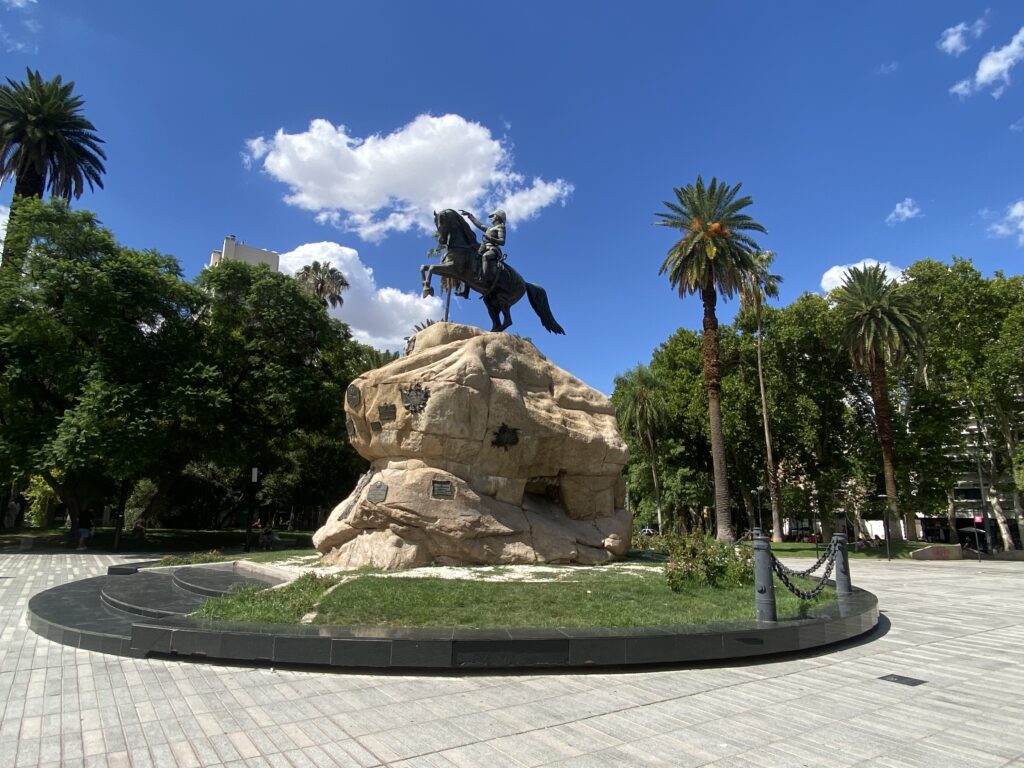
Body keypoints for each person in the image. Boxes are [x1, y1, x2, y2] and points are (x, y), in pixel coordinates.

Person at [458, 209, 506, 292]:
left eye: (493, 216)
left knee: (485, 256)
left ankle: (483, 278)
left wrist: (490, 238)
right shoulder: (489, 229)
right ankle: (466, 290)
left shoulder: (500, 227)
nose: (491, 218)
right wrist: (470, 216)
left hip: (493, 249)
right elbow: (480, 225)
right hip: (483, 247)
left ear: (498, 217)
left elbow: (502, 241)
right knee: (471, 259)